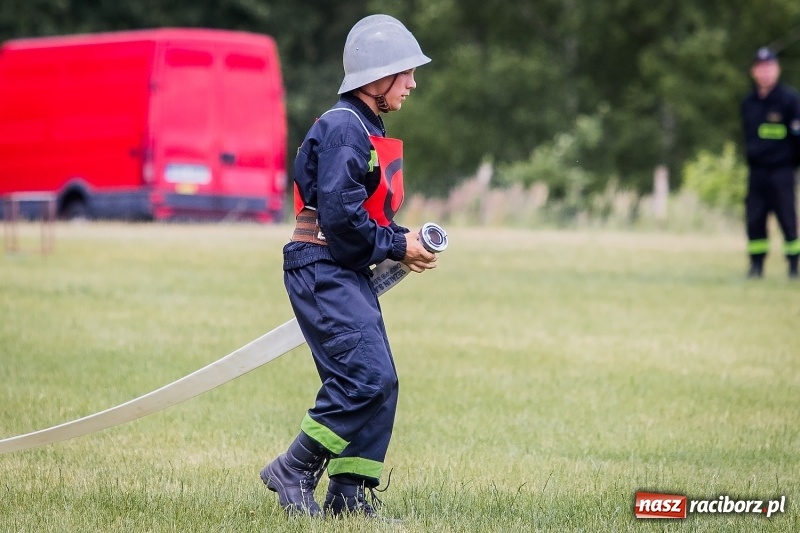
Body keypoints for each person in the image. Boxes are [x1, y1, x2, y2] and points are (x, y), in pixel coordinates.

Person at [259, 14, 437, 518]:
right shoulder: (344, 129)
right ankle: (293, 468)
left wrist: (401, 240)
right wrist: (397, 246)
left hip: (341, 267)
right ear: (375, 78)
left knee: (381, 381)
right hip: (321, 267)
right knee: (364, 378)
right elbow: (341, 220)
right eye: (404, 72)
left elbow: (359, 218)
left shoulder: (362, 126)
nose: (412, 82)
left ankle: (349, 493)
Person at [740, 46, 800, 279]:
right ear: (754, 72)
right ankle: (756, 266)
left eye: (769, 68)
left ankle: (794, 267)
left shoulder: (789, 100)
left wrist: (791, 164)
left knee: (788, 219)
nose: (765, 73)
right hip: (757, 172)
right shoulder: (749, 103)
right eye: (760, 68)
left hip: (782, 171)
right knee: (755, 220)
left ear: (777, 70)